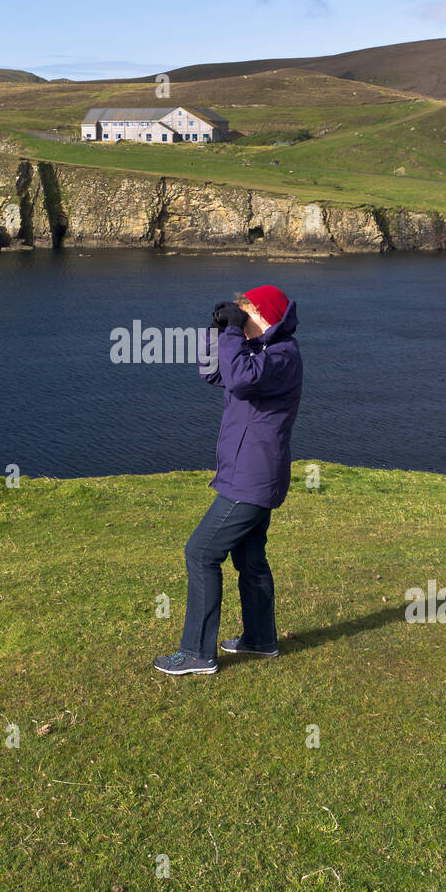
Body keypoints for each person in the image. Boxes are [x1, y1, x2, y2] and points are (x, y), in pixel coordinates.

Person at [153, 283, 303, 676]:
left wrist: (234, 333)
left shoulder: (283, 356)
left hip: (252, 479)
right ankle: (259, 639)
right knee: (249, 557)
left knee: (201, 553)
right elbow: (211, 372)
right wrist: (217, 330)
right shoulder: (259, 352)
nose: (241, 318)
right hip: (247, 474)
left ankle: (197, 654)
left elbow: (238, 379)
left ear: (266, 316)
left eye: (245, 312)